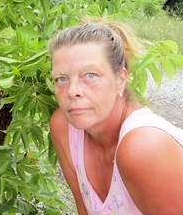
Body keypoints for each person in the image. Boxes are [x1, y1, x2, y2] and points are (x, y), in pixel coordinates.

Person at [49, 18, 183, 215]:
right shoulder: (64, 127)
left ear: (121, 80)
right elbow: (83, 208)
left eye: (90, 75)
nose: (72, 91)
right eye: (61, 79)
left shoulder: (144, 146)